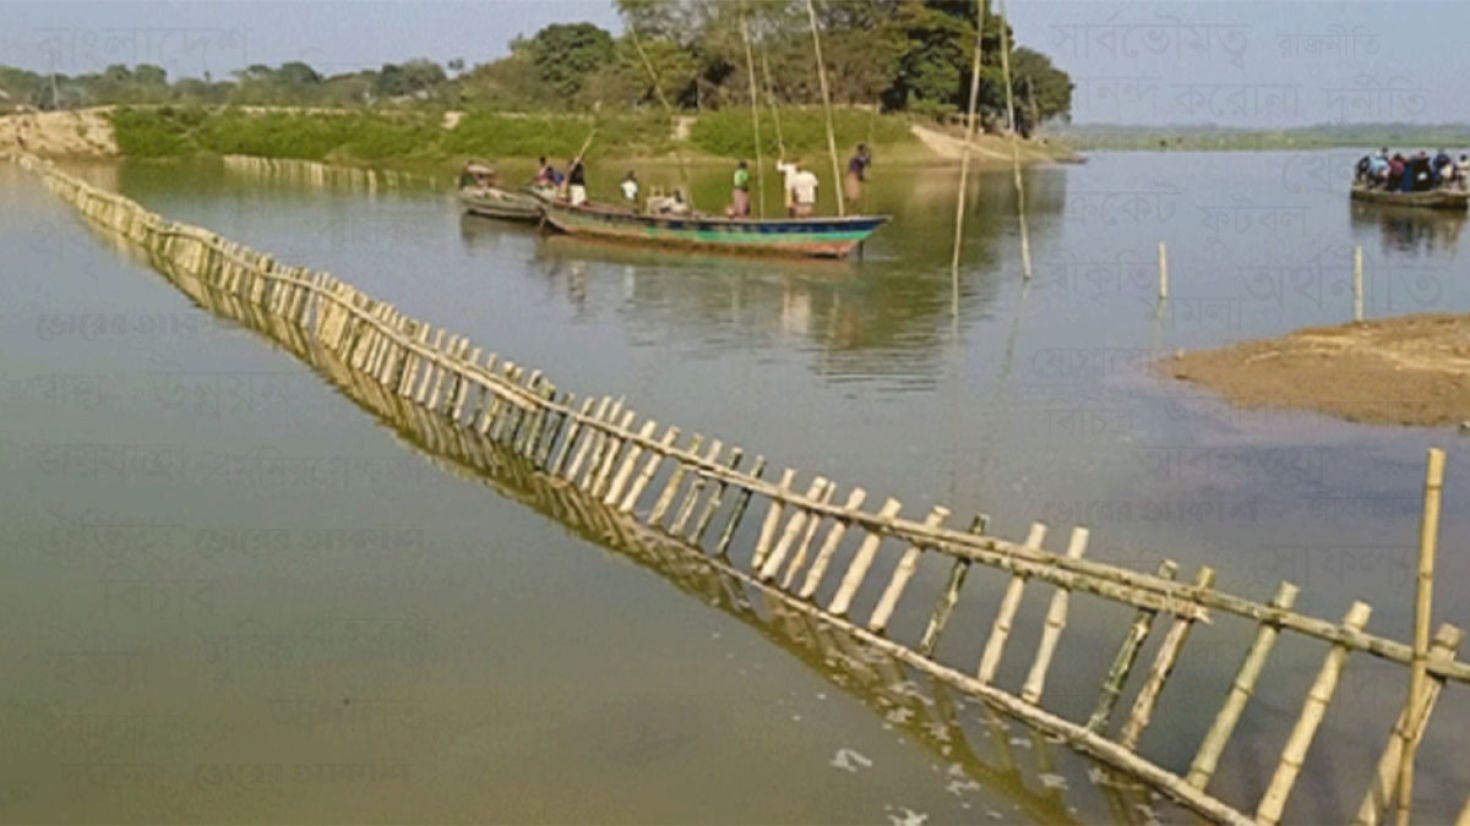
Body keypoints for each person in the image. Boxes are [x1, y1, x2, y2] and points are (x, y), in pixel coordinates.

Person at [844, 143, 871, 208]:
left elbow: (864, 165)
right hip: (852, 177)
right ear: (860, 150)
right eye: (865, 150)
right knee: (853, 197)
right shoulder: (856, 158)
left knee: (855, 197)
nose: (865, 152)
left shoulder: (860, 158)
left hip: (856, 178)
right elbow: (862, 161)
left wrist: (864, 179)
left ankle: (850, 212)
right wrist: (868, 157)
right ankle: (848, 213)